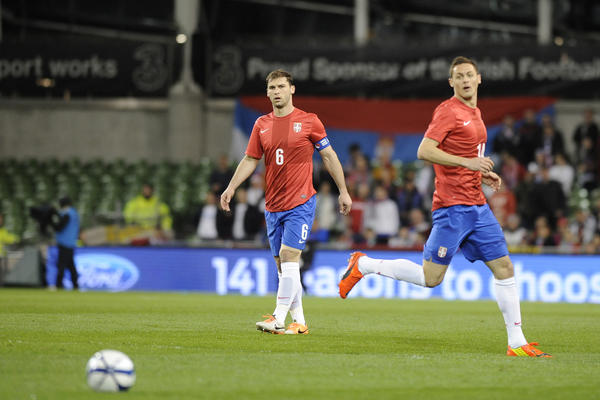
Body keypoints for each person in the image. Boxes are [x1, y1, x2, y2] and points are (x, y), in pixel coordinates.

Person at [338, 56, 551, 358]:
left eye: (469, 75)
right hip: (452, 208)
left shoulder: (475, 113)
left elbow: (465, 153)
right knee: (431, 279)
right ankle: (364, 265)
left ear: (479, 79)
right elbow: (424, 150)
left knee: (504, 267)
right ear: (451, 82)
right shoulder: (448, 111)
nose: (465, 80)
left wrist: (481, 172)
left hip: (477, 205)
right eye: (459, 76)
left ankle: (516, 342)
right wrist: (467, 162)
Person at [220, 69, 352, 335]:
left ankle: (278, 318)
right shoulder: (261, 124)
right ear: (267, 92)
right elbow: (250, 160)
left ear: (292, 89)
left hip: (301, 202)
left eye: (281, 86)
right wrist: (232, 187)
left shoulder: (309, 121)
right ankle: (300, 322)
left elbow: (328, 156)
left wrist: (343, 190)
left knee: (291, 257)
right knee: (284, 267)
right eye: (272, 88)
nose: (277, 91)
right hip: (273, 205)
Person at [51, 197, 79, 290]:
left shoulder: (66, 214)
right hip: (71, 242)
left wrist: (52, 223)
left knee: (62, 264)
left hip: (64, 242)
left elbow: (59, 227)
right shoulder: (74, 213)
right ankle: (75, 285)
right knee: (71, 265)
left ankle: (59, 285)